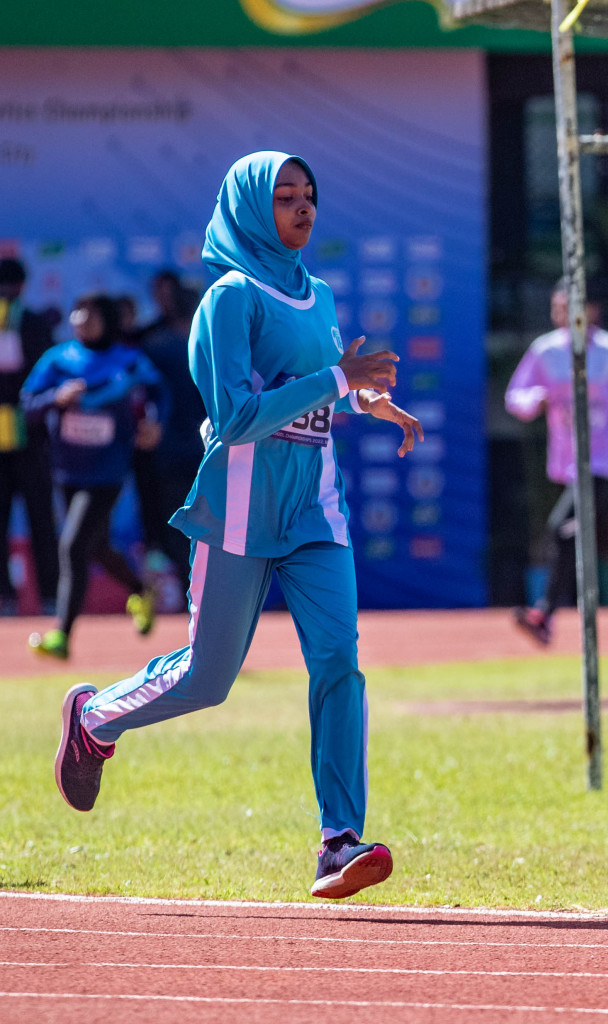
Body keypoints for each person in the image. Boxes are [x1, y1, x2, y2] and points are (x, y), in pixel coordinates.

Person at [52, 151, 422, 900]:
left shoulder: (314, 292)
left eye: (309, 194)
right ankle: (94, 718)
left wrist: (360, 401)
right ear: (251, 208)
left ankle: (337, 841)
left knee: (338, 661)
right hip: (240, 507)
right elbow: (240, 417)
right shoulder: (229, 298)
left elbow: (317, 384)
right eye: (284, 196)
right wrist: (339, 381)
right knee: (206, 679)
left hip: (315, 507)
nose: (301, 206)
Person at [23, 294, 165, 659]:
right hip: (67, 468)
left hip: (109, 469)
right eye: (77, 313)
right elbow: (29, 404)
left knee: (72, 544)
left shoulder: (128, 359)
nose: (82, 319)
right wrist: (56, 397)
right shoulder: (59, 359)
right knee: (96, 547)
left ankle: (62, 635)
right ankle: (140, 589)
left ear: (108, 320)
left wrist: (154, 422)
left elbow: (160, 392)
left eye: (91, 314)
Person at [505, 281, 608, 644]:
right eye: (556, 307)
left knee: (561, 529)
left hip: (604, 458)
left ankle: (544, 613)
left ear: (590, 310)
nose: (560, 314)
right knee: (598, 538)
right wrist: (533, 399)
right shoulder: (545, 350)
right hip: (569, 460)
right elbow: (516, 396)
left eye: (567, 307)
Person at [135, 277, 205, 597]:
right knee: (188, 523)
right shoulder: (157, 343)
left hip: (183, 451)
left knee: (178, 523)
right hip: (194, 450)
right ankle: (193, 587)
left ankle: (193, 586)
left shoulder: (155, 343)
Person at [0, 257, 61, 614]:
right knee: (38, 519)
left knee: (31, 519)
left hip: (27, 435)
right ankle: (47, 597)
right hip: (29, 437)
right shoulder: (36, 321)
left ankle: (20, 598)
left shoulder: (33, 322)